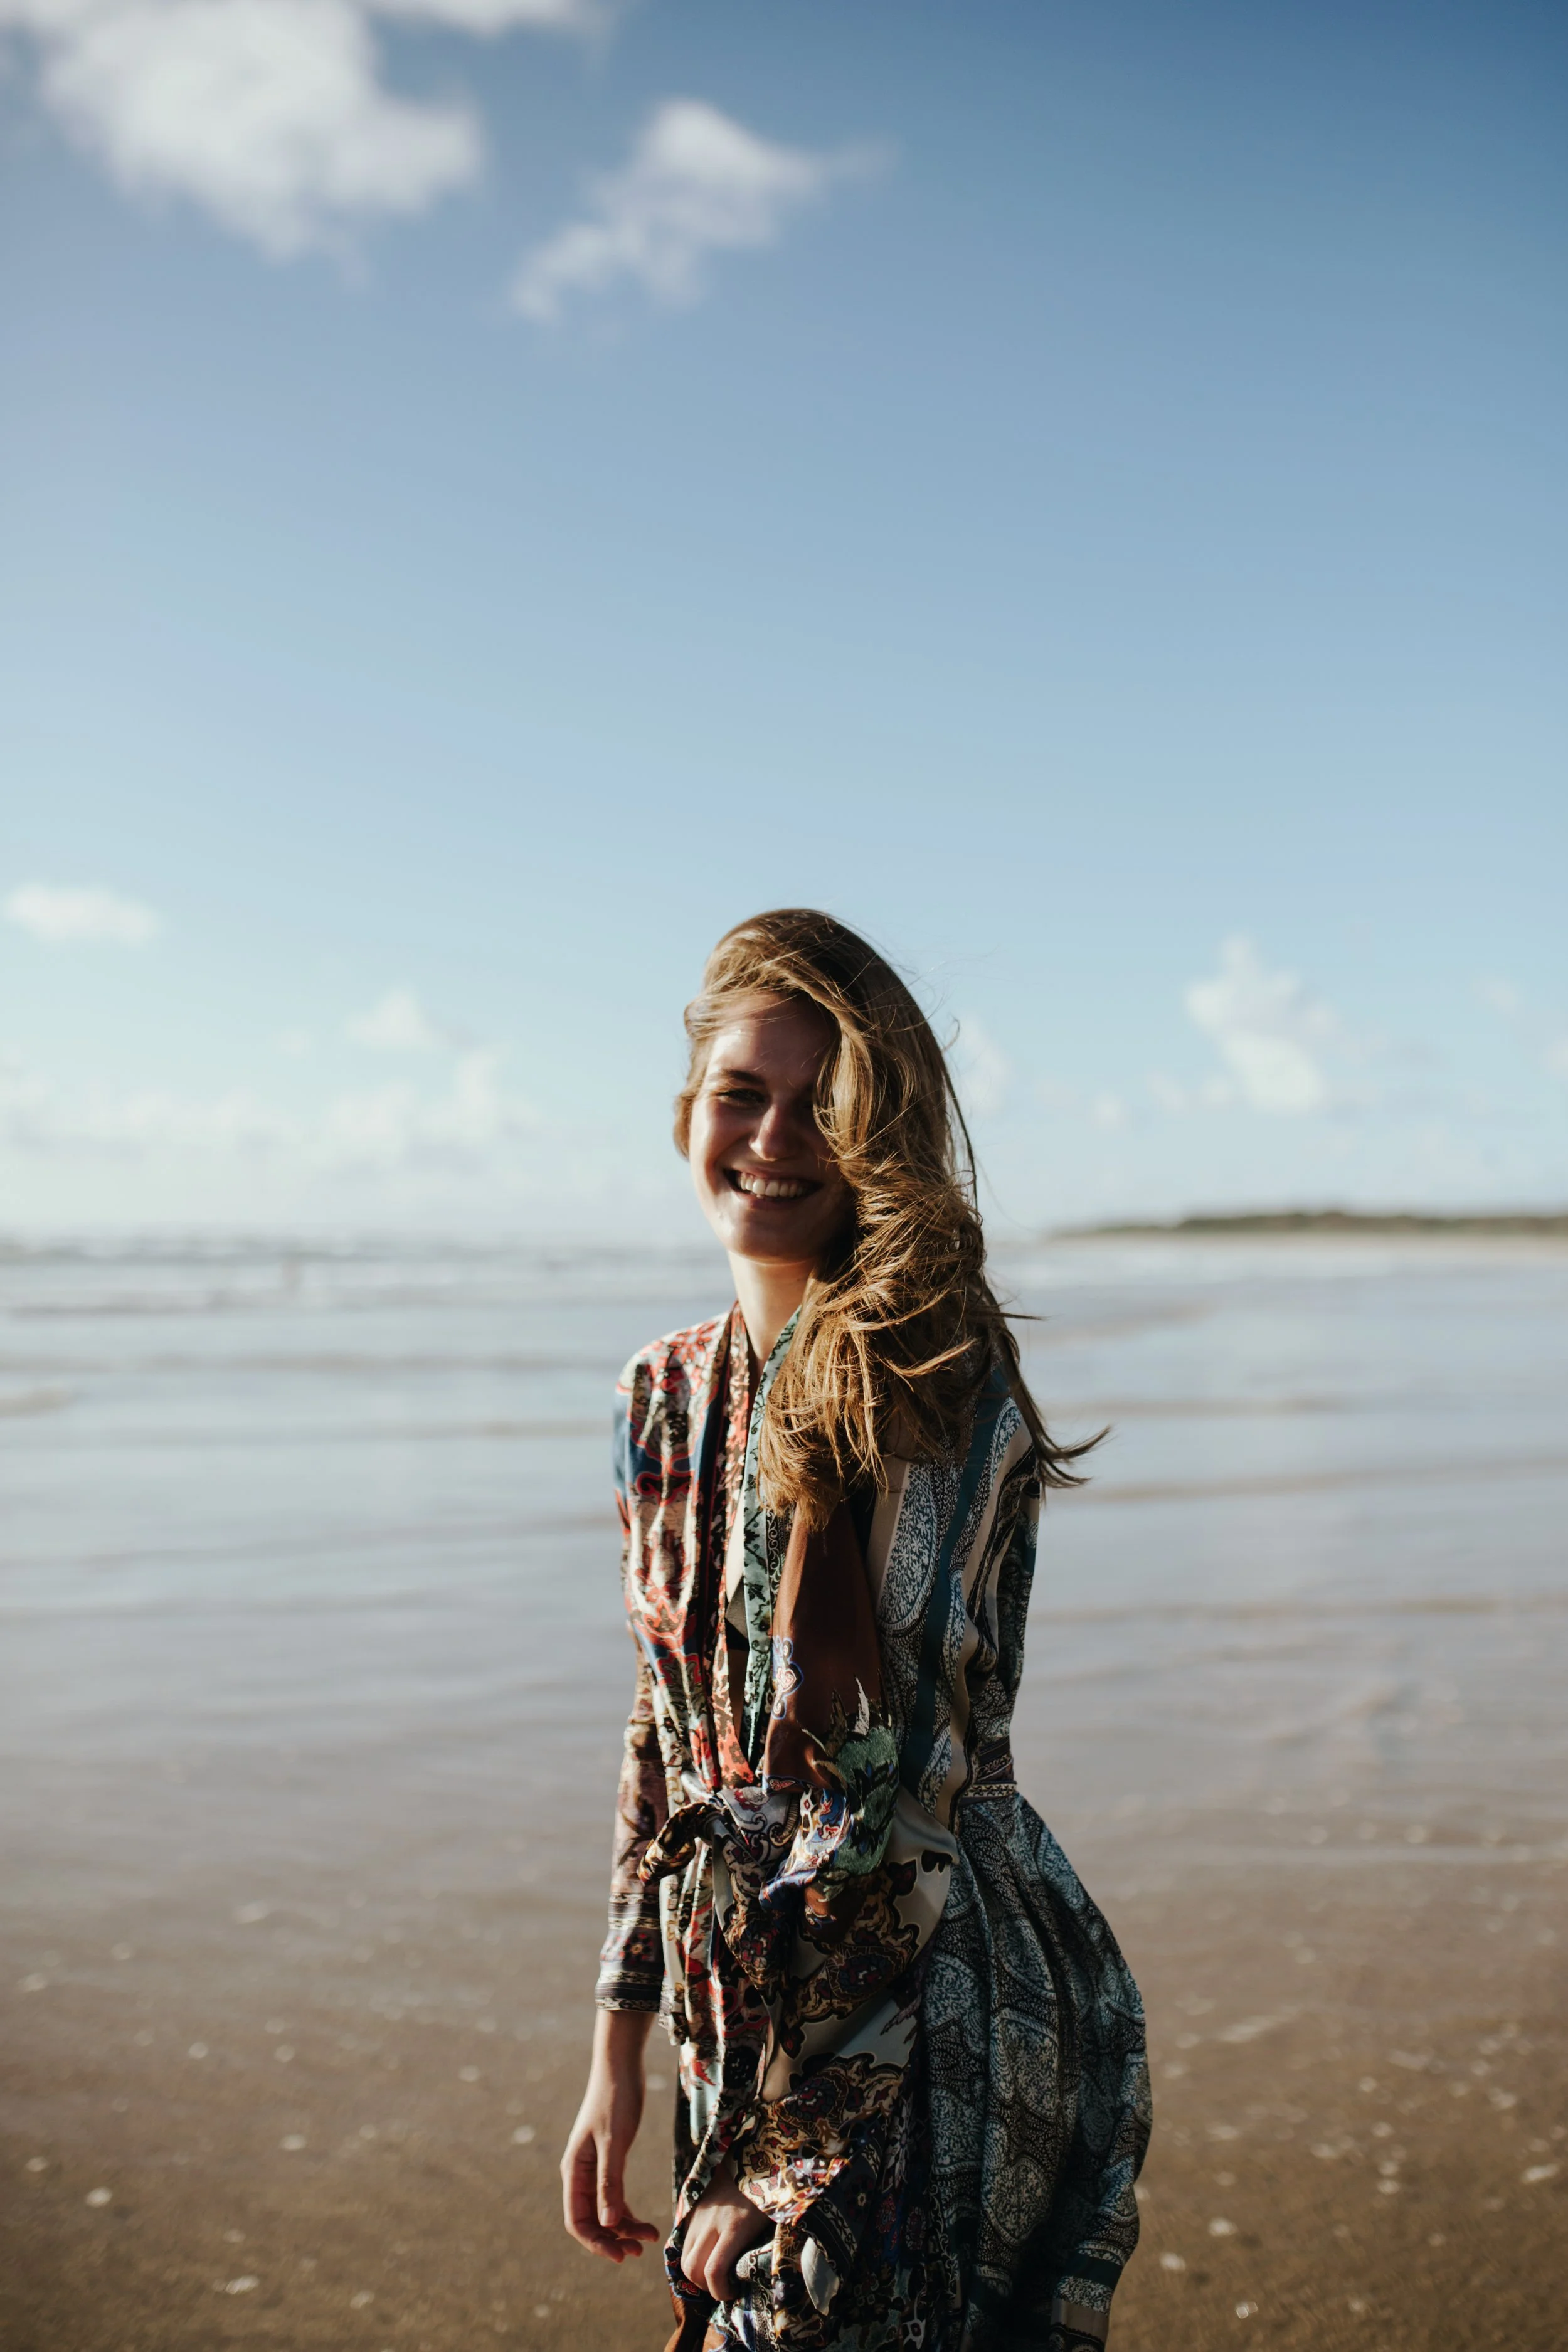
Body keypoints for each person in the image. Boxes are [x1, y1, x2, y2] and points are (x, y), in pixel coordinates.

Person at [561, 909, 1150, 2352]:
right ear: (687, 1112)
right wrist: (616, 2051)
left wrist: (786, 2149)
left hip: (914, 2010)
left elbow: (899, 1799)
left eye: (820, 1104)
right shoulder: (660, 1389)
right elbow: (666, 1731)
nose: (771, 1138)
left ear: (882, 1136)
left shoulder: (928, 1379)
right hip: (739, 2008)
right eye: (739, 1095)